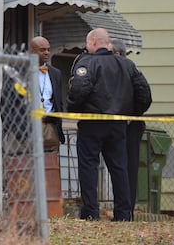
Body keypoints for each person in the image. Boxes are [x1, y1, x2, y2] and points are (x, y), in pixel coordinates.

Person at [67, 28, 151, 222]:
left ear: (95, 42)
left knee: (88, 166)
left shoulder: (87, 62)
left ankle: (90, 213)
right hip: (118, 124)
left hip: (92, 123)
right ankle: (123, 213)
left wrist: (74, 109)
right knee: (119, 167)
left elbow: (78, 89)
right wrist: (132, 112)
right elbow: (144, 93)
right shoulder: (127, 64)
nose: (86, 47)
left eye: (88, 43)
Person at [110, 38, 150, 217]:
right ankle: (126, 211)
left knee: (125, 168)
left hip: (127, 125)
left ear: (117, 53)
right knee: (127, 168)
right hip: (128, 123)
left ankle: (125, 210)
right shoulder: (131, 69)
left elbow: (144, 96)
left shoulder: (126, 69)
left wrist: (131, 115)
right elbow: (145, 96)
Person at [29, 36, 66, 151]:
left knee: (51, 165)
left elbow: (58, 101)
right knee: (27, 163)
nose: (46, 53)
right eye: (42, 50)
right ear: (32, 51)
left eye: (48, 49)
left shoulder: (56, 73)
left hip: (50, 125)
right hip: (28, 126)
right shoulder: (20, 71)